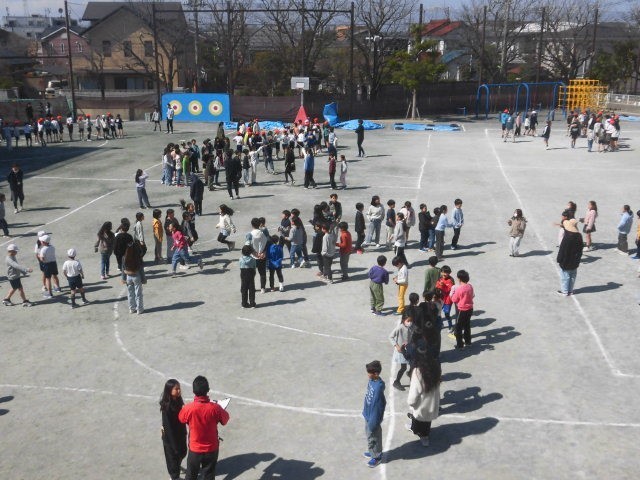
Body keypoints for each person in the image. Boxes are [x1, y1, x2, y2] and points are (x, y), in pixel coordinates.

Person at [178, 376, 230, 480]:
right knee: (209, 475)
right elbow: (225, 420)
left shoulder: (189, 408)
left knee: (191, 476)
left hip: (195, 449)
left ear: (193, 391)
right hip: (211, 448)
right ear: (208, 390)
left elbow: (181, 419)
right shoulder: (215, 408)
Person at [407, 353, 441, 447]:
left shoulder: (417, 372)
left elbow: (414, 391)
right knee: (427, 421)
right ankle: (425, 437)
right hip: (432, 402)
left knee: (418, 420)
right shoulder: (436, 369)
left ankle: (416, 431)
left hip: (421, 404)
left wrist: (411, 403)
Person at [160, 379, 187, 480]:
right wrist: (174, 445)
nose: (179, 391)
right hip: (171, 439)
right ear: (169, 390)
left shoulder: (178, 400)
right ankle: (174, 477)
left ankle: (177, 466)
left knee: (183, 452)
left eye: (179, 388)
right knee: (172, 458)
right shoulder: (166, 408)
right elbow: (168, 429)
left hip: (180, 433)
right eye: (176, 389)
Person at [362, 360, 385, 468]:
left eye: (369, 372)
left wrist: (373, 421)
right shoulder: (372, 381)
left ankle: (376, 457)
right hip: (368, 414)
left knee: (373, 437)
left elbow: (378, 407)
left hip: (373, 418)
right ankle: (372, 451)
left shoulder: (378, 388)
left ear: (375, 374)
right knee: (369, 435)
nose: (367, 374)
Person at [556, 218, 583, 296]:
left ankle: (565, 291)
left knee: (565, 277)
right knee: (572, 276)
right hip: (575, 260)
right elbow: (580, 249)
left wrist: (559, 259)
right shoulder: (579, 236)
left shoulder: (567, 237)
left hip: (566, 260)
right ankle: (570, 290)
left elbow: (562, 249)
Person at [450, 269, 474, 348]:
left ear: (459, 279)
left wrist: (451, 295)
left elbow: (454, 299)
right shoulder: (470, 286)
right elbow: (472, 295)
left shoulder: (459, 289)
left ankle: (460, 345)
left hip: (462, 310)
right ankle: (468, 342)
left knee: (458, 327)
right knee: (467, 325)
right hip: (470, 308)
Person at [389, 312, 413, 390]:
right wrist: (397, 346)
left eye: (411, 321)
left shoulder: (411, 327)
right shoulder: (399, 328)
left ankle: (410, 374)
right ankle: (396, 382)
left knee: (412, 365)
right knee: (403, 368)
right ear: (403, 320)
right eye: (408, 321)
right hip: (402, 352)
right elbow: (390, 337)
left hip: (409, 350)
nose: (410, 323)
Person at [122, 238, 145, 313]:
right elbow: (141, 268)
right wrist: (143, 279)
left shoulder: (124, 257)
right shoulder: (137, 257)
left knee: (130, 294)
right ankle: (139, 309)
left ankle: (132, 309)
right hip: (136, 276)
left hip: (128, 277)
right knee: (138, 294)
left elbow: (123, 269)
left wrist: (123, 278)